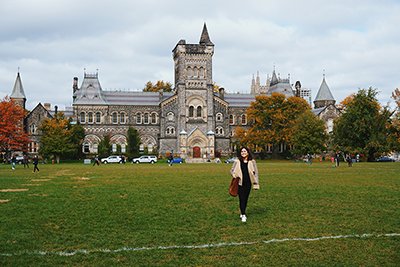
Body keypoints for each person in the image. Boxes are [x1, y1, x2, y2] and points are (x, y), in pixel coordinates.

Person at [230, 147, 259, 223]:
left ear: (248, 152)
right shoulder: (237, 161)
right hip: (240, 183)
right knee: (241, 199)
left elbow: (256, 173)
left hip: (248, 183)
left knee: (245, 199)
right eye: (242, 151)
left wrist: (256, 184)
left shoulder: (252, 162)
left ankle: (243, 211)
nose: (243, 152)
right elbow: (231, 170)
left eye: (244, 151)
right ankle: (243, 214)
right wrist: (234, 175)